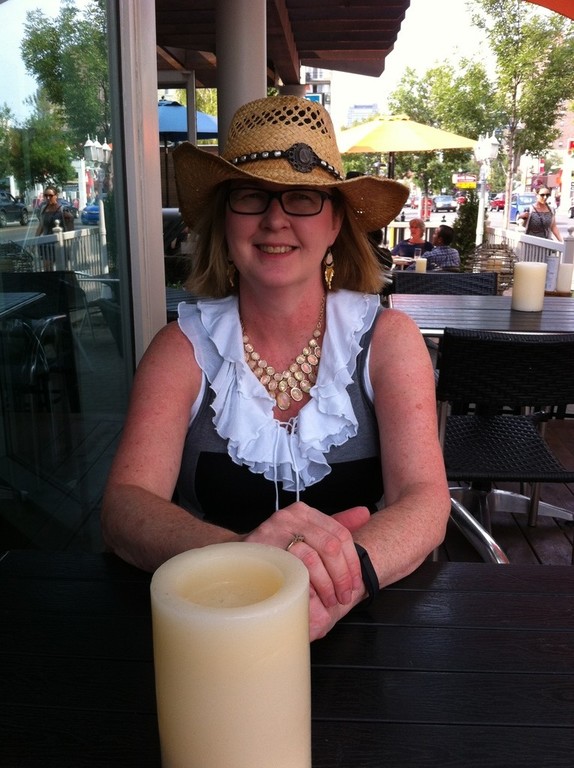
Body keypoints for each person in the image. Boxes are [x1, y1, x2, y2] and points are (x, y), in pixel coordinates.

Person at [101, 95, 451, 641]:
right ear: (225, 219)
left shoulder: (389, 340)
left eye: (302, 198)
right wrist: (243, 561)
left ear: (336, 223)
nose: (274, 219)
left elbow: (425, 500)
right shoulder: (179, 348)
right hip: (209, 626)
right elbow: (124, 506)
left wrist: (344, 580)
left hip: (359, 630)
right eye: (250, 196)